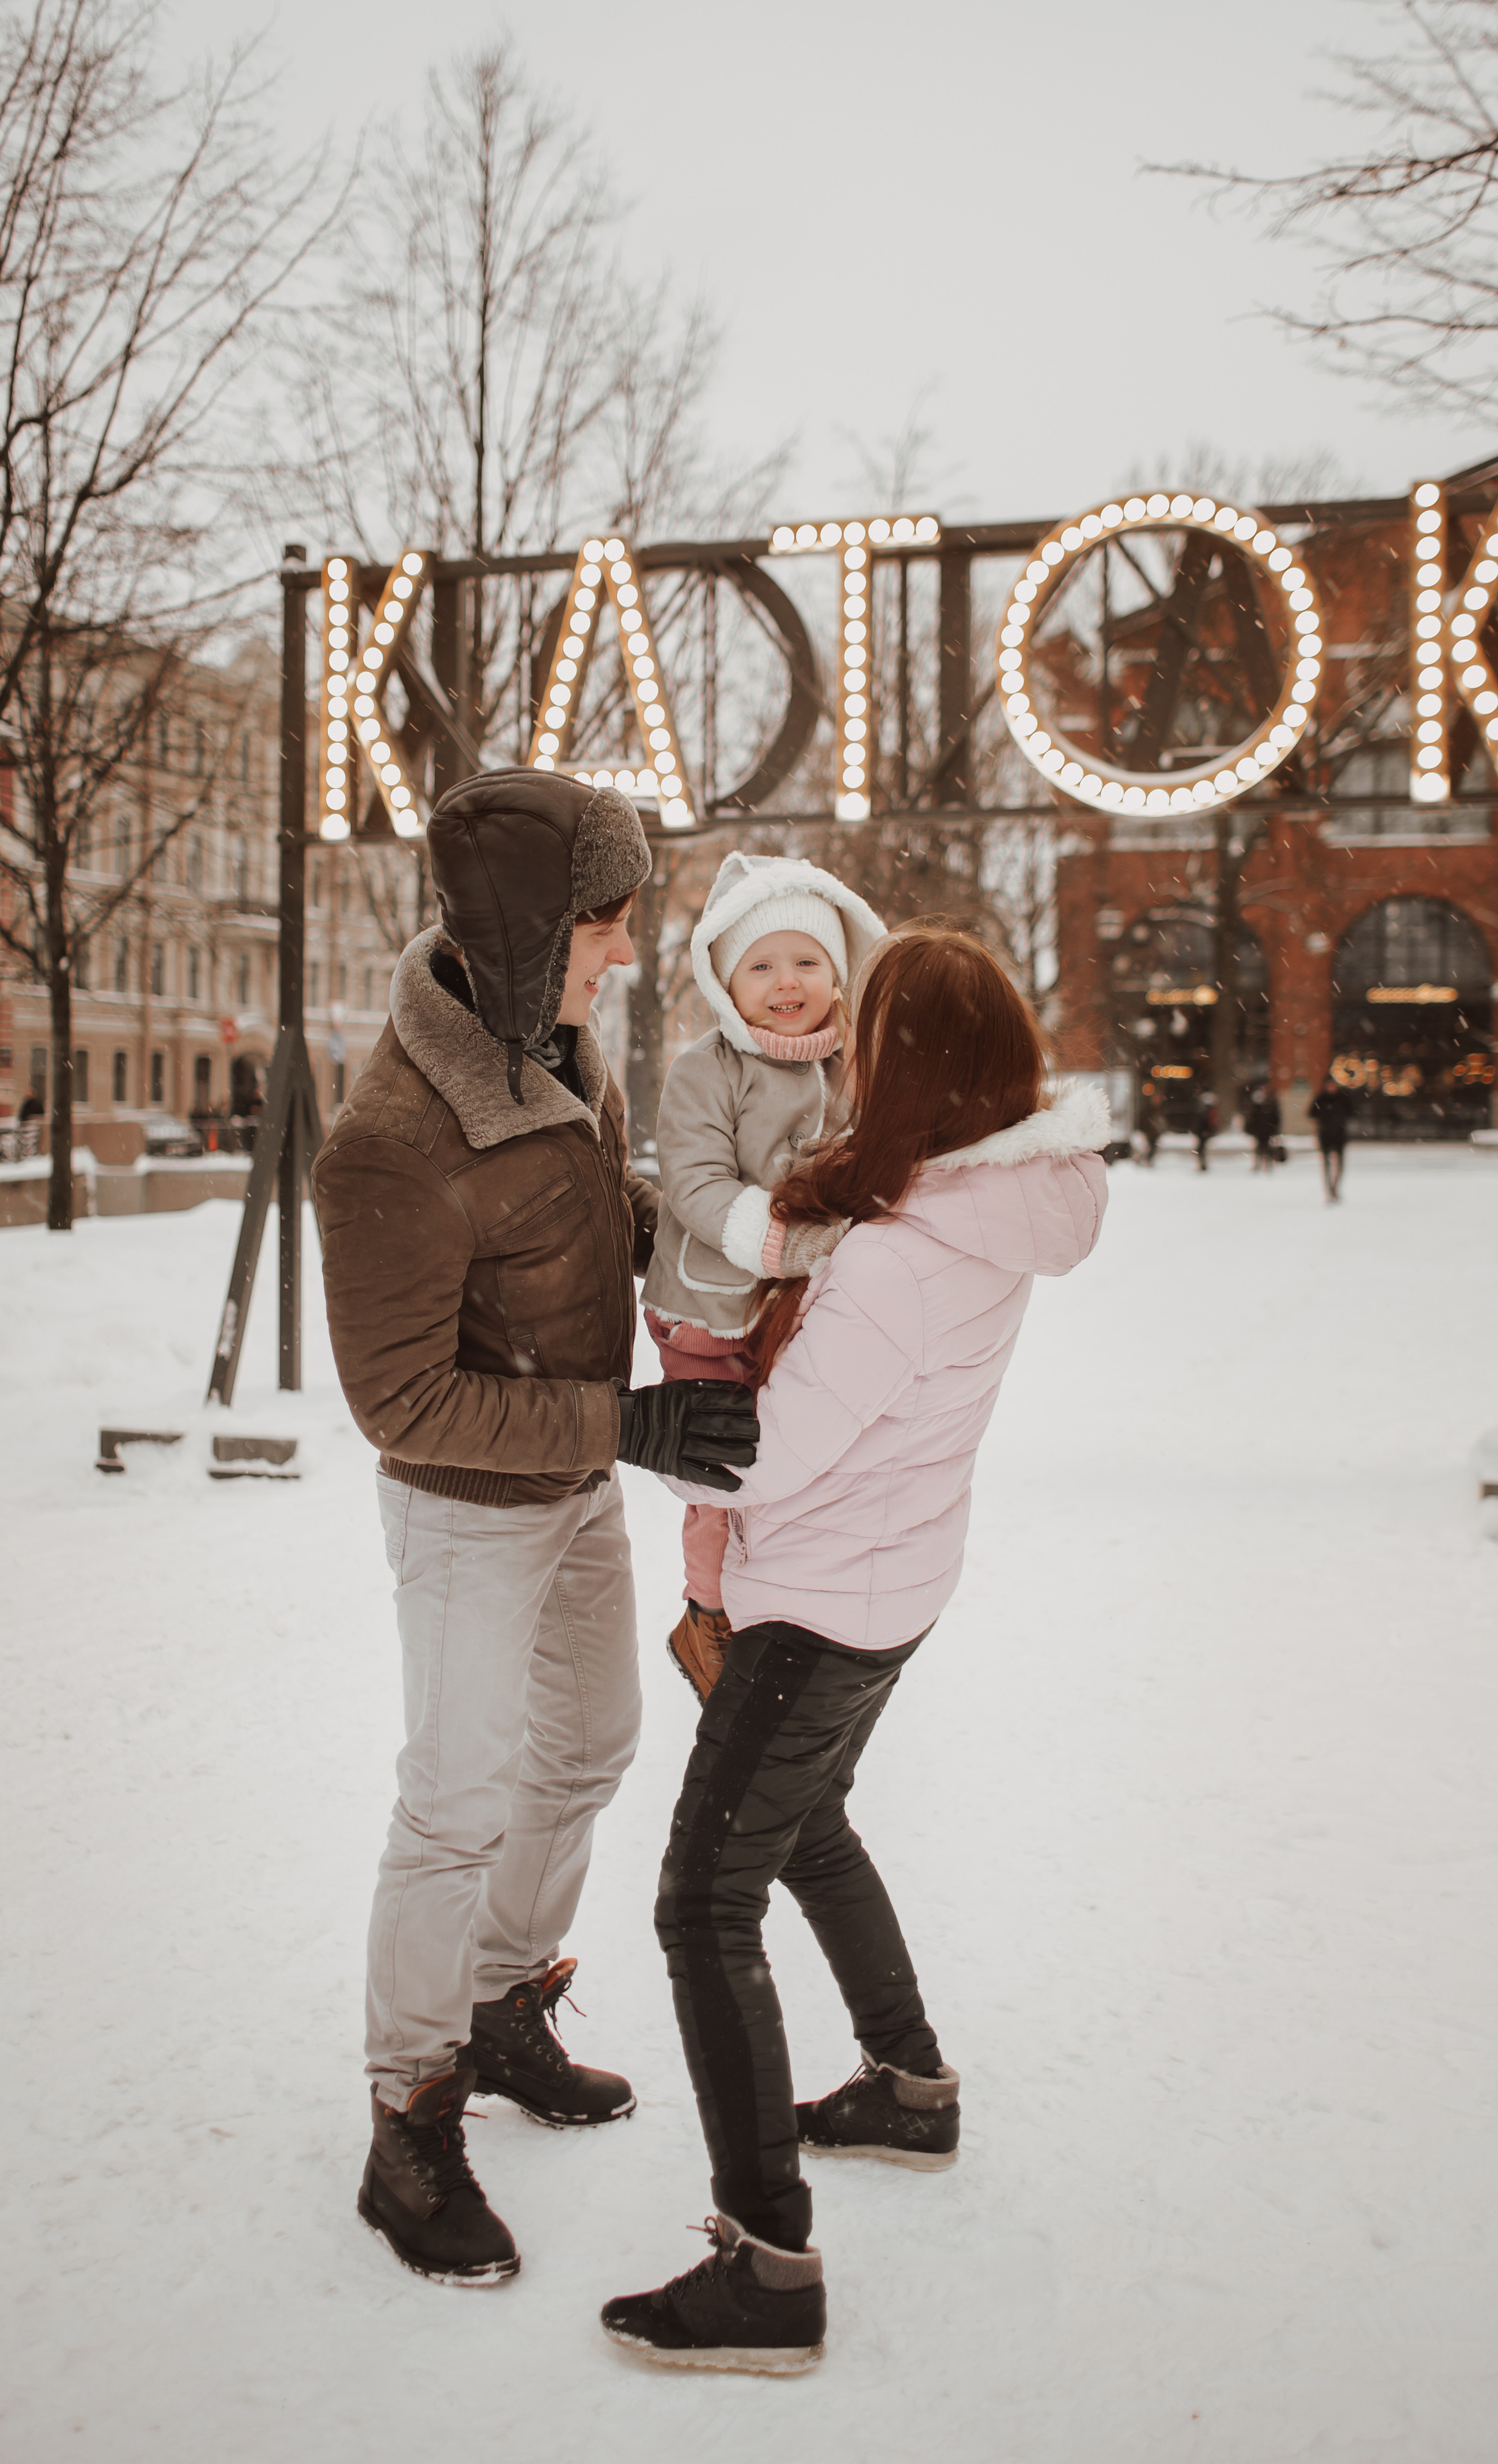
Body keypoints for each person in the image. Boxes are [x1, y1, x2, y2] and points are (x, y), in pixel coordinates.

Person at [600, 927, 1110, 2375]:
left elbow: (766, 1457)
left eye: (870, 1028)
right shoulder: (982, 1201)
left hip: (818, 1606)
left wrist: (640, 1429)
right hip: (892, 1580)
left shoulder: (897, 1256)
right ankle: (908, 2085)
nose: (850, 1050)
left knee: (705, 1905)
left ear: (906, 1063)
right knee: (805, 1821)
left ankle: (765, 2266)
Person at [312, 770, 758, 2291]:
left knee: (591, 1744)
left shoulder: (557, 1044)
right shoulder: (390, 1139)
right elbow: (400, 1398)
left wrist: (710, 1222)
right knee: (454, 1796)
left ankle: (500, 2000)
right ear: (523, 929)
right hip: (464, 1510)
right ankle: (407, 2107)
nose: (624, 953)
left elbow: (587, 1207)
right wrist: (619, 1426)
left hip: (568, 1486)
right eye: (604, 923)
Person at [642, 850, 885, 1698]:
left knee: (798, 1465)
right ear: (725, 979)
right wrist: (784, 1241)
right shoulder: (705, 1070)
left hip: (806, 1306)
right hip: (711, 1307)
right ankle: (706, 1615)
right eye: (763, 965)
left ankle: (778, 1604)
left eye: (808, 962)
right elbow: (698, 1182)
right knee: (722, 1470)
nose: (788, 982)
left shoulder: (850, 1064)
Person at [1309, 1075, 1355, 1201]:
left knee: (1340, 1165)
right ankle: (1329, 1190)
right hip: (1325, 1136)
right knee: (1327, 1165)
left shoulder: (1342, 1098)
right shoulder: (1320, 1099)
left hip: (1339, 1135)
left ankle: (1336, 1188)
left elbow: (1351, 1112)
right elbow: (1311, 1114)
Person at [1245, 1082, 1281, 1172]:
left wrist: (1275, 1129)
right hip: (1259, 1130)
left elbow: (1276, 1117)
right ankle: (1258, 1164)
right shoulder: (1257, 1104)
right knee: (1259, 1147)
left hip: (1268, 1129)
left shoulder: (1272, 1103)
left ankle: (1268, 1164)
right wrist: (1251, 1128)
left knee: (1268, 1147)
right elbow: (1252, 1117)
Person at [1193, 1082, 1217, 1172]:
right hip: (1204, 1127)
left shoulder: (1206, 1099)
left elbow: (1210, 1115)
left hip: (1204, 1127)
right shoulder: (1207, 1099)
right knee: (1201, 1147)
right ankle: (1203, 1164)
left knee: (1201, 1147)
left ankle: (1203, 1165)